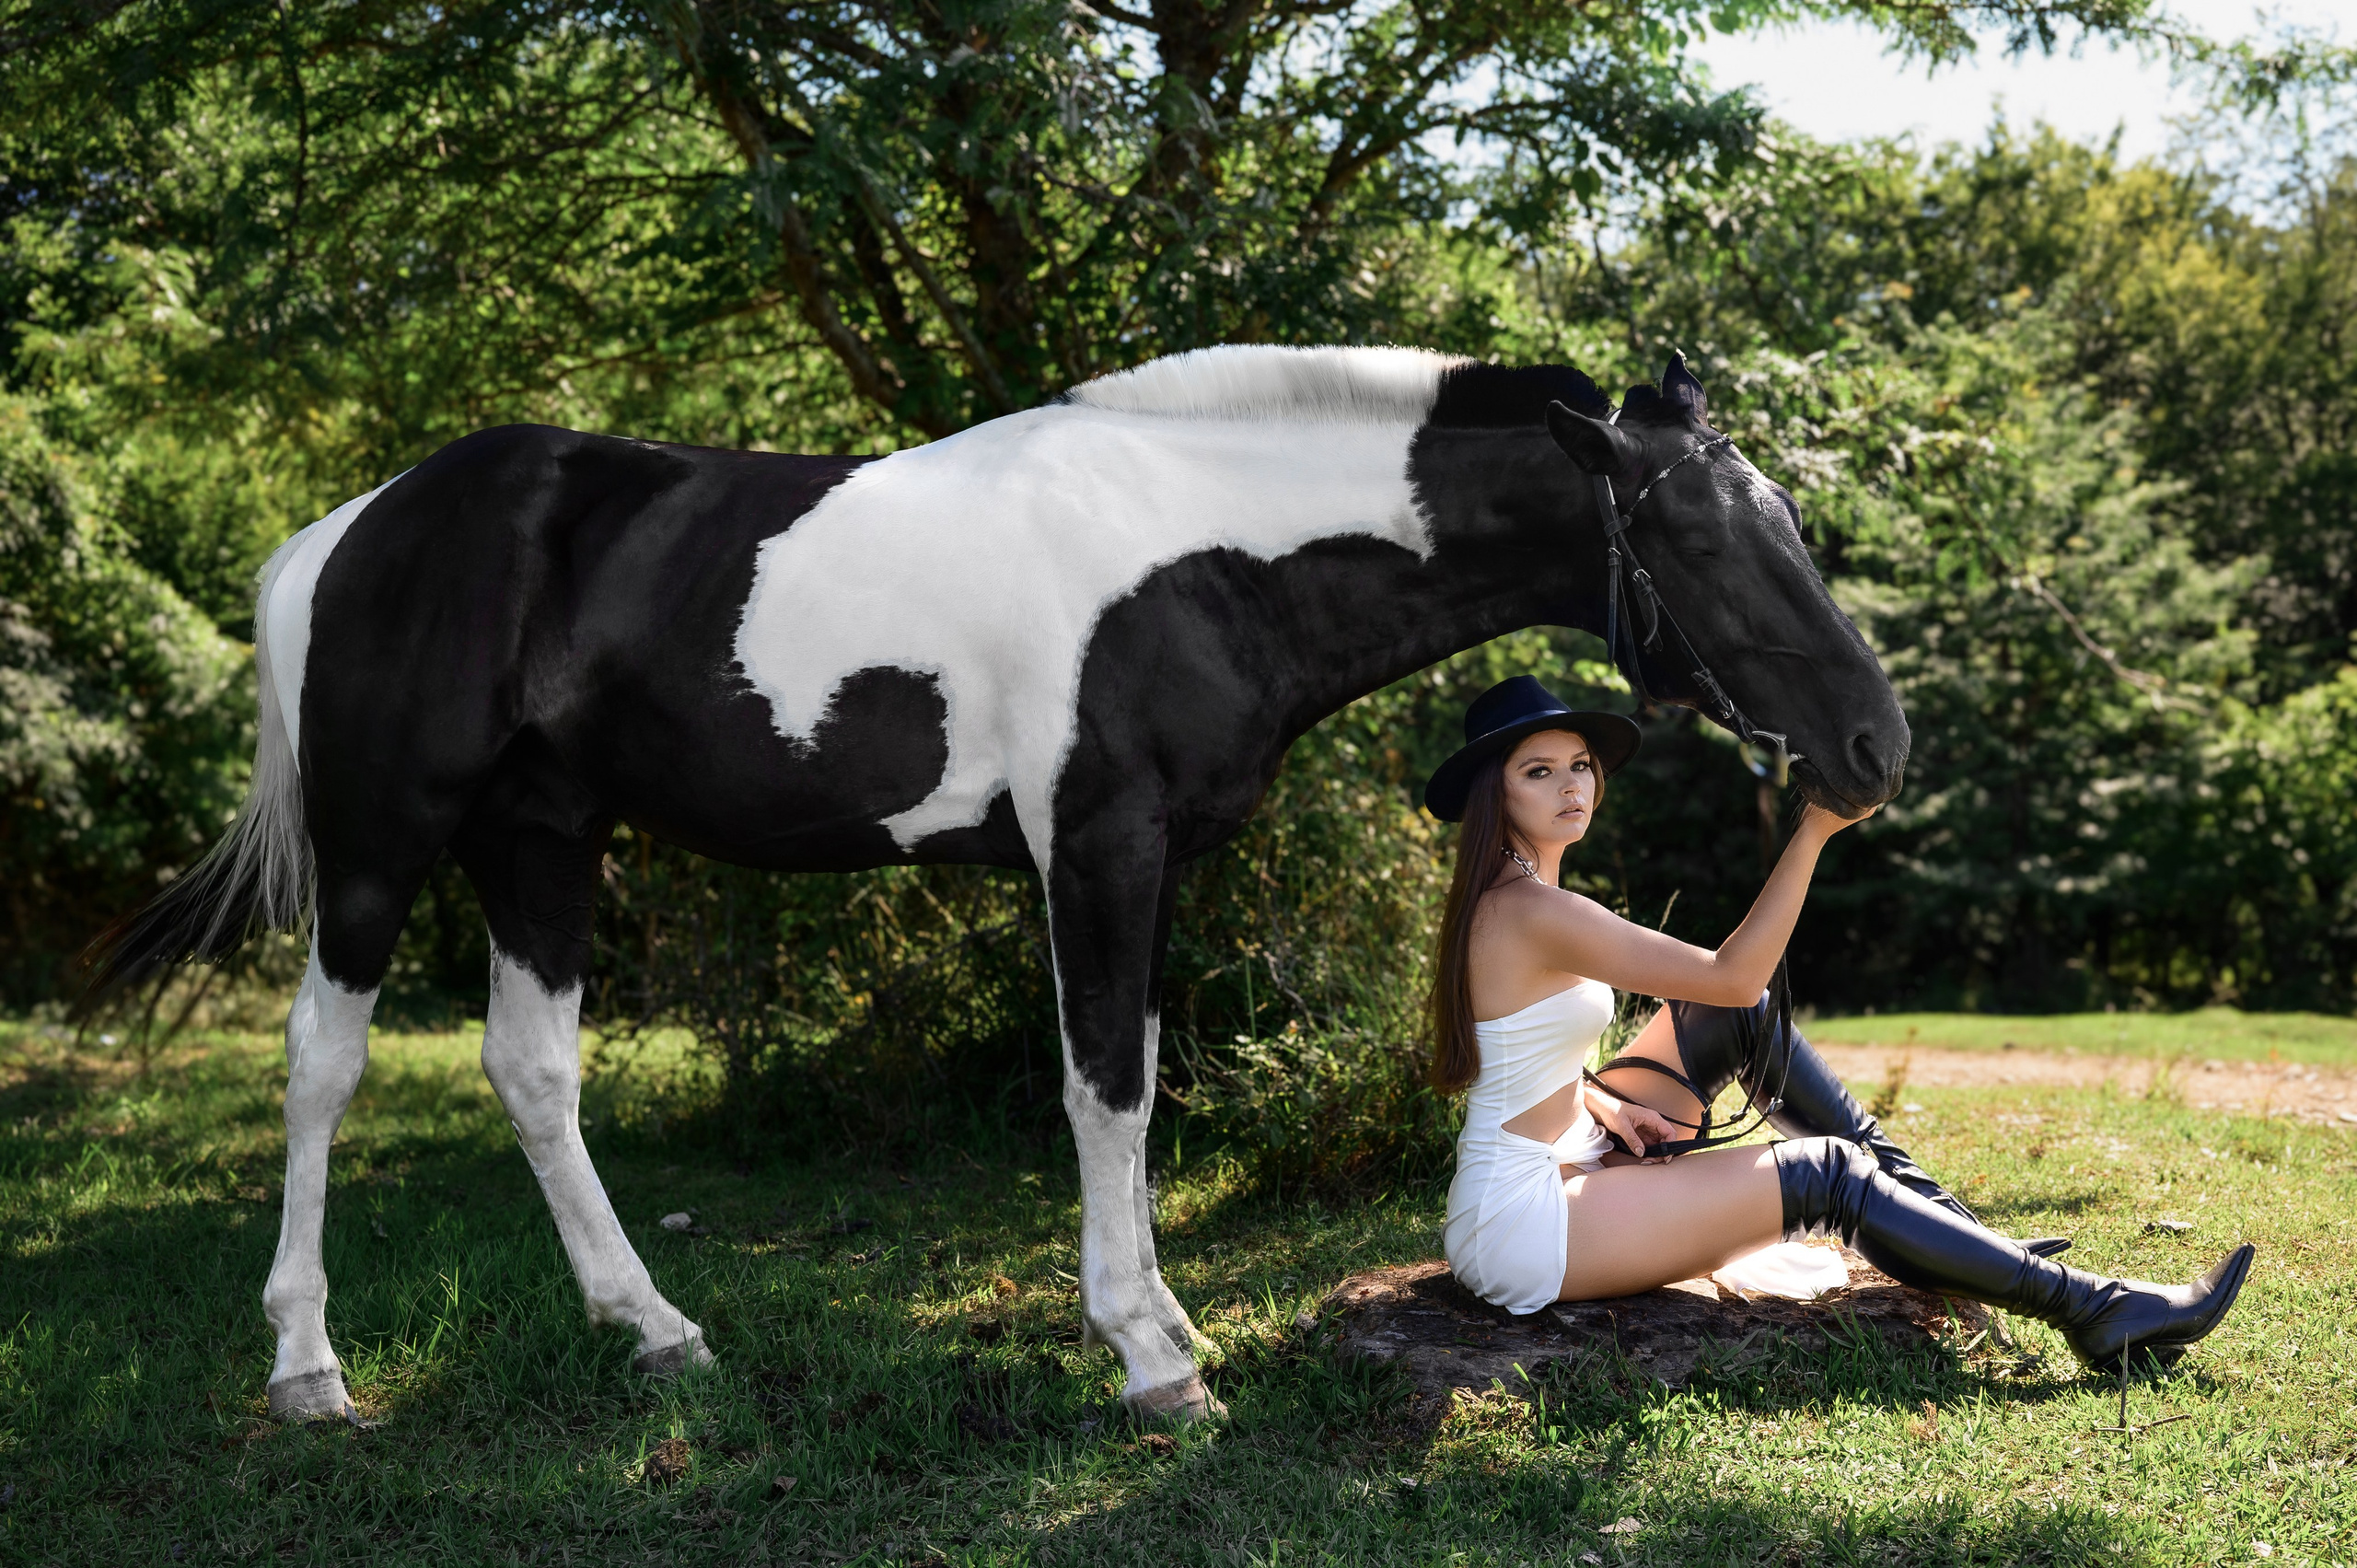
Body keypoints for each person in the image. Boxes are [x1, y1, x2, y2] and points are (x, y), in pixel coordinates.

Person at [1423, 675, 2251, 1372]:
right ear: (1494, 791)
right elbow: (1734, 968)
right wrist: (1814, 829)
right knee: (1826, 1170)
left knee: (1731, 1016)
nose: (1572, 786)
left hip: (1570, 1150)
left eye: (1580, 765)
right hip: (1523, 1222)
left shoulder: (1513, 897)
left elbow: (1524, 1050)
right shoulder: (1533, 909)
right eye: (1539, 771)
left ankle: (1956, 1236)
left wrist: (1602, 1104)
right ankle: (2092, 1309)